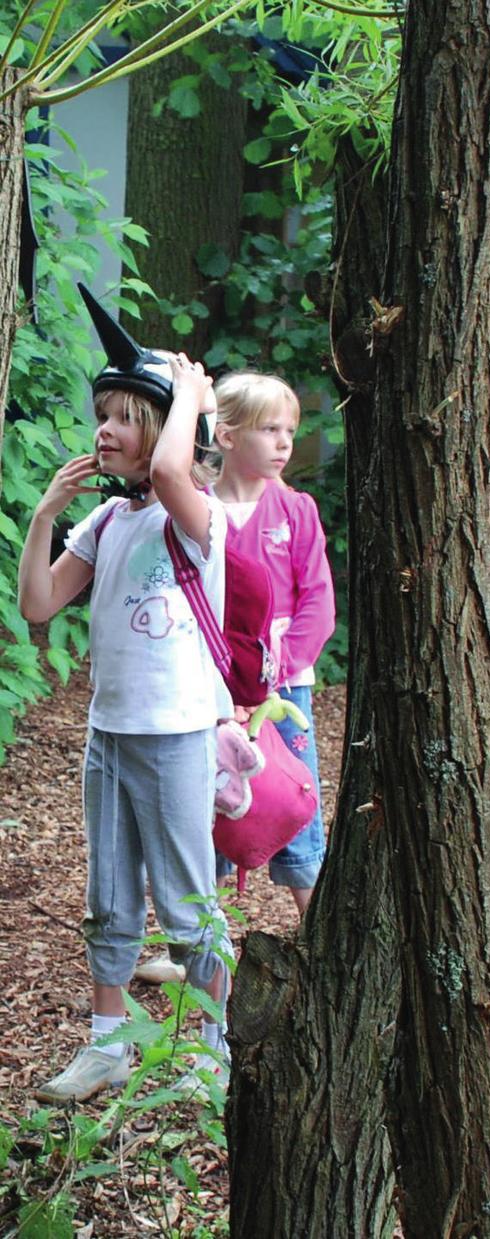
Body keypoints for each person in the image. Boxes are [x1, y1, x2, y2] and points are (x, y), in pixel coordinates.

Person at [18, 288, 232, 1102]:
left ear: (164, 425)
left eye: (121, 415)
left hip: (176, 737)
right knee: (109, 894)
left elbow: (177, 466)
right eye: (100, 413)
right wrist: (46, 513)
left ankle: (216, 1051)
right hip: (109, 734)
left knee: (188, 905)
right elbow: (39, 603)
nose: (102, 428)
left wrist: (193, 391)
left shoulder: (195, 515)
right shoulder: (106, 525)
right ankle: (107, 1043)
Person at [210, 371, 334, 916]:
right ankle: (199, 949)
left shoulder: (297, 510)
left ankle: (318, 935)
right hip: (210, 694)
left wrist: (271, 674)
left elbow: (318, 603)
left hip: (282, 692)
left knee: (294, 797)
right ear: (227, 435)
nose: (284, 442)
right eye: (268, 429)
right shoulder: (195, 510)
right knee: (209, 802)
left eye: (290, 429)